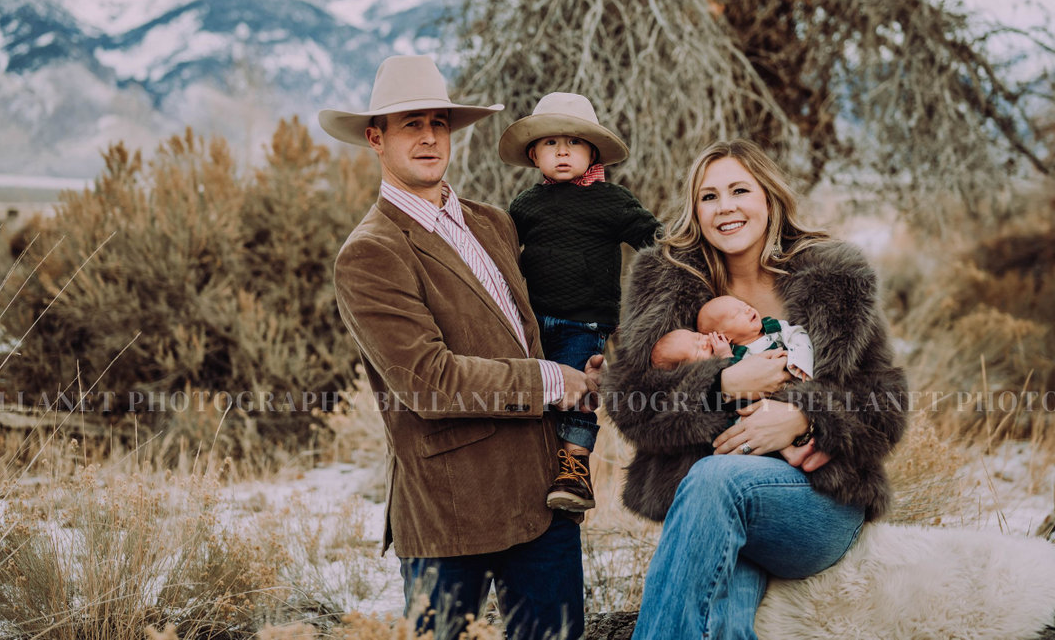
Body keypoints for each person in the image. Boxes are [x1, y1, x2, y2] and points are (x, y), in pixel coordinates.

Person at [320, 55, 602, 640]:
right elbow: (428, 380)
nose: (428, 137)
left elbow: (523, 331)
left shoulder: (493, 223)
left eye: (439, 124)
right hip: (450, 509)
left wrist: (583, 358)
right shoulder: (371, 251)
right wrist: (553, 380)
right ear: (376, 138)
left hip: (541, 492)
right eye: (410, 124)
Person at [602, 138, 908, 639]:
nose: (725, 208)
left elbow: (886, 407)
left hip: (816, 503)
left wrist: (806, 416)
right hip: (712, 508)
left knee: (715, 479)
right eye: (709, 196)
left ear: (768, 197)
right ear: (694, 209)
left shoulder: (833, 279)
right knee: (721, 612)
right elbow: (630, 402)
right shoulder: (667, 281)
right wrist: (720, 382)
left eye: (739, 190)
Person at [498, 92, 660, 514]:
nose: (563, 150)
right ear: (534, 155)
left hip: (584, 321)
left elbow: (653, 240)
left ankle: (575, 470)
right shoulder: (525, 206)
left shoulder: (611, 200)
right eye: (551, 143)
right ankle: (525, 469)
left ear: (593, 152)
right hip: (530, 322)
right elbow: (502, 255)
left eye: (574, 142)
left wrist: (681, 260)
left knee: (580, 390)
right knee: (534, 396)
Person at [697, 294, 814, 377]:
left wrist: (799, 359)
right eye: (737, 313)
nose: (748, 309)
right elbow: (734, 377)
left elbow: (798, 334)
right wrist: (725, 354)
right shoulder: (737, 356)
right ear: (724, 338)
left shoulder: (772, 328)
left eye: (744, 305)